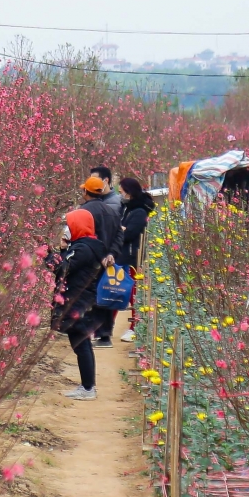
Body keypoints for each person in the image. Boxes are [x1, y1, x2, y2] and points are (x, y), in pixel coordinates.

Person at [49, 208, 106, 401]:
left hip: (78, 302)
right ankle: (87, 386)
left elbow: (61, 269)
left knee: (81, 344)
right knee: (81, 343)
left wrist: (47, 256)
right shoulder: (86, 246)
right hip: (82, 300)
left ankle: (88, 388)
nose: (67, 228)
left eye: (69, 224)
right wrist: (65, 250)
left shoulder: (83, 249)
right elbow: (70, 265)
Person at [82, 168, 124, 347]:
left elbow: (83, 237)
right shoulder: (112, 211)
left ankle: (88, 332)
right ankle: (105, 335)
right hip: (107, 262)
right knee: (106, 295)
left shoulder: (83, 212)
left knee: (89, 297)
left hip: (89, 261)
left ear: (86, 192)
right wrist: (111, 254)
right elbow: (119, 235)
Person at [115, 177, 155, 343]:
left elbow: (129, 234)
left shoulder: (138, 211)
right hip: (124, 256)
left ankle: (136, 328)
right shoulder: (128, 208)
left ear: (129, 192)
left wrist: (120, 230)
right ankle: (104, 328)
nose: (120, 193)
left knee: (134, 294)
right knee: (118, 292)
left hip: (133, 258)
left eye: (122, 191)